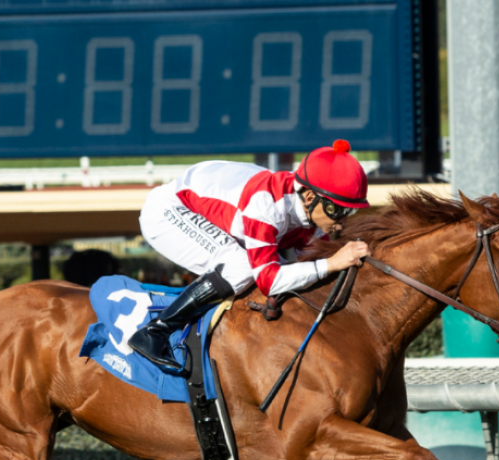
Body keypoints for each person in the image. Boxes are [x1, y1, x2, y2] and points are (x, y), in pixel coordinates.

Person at [129, 139, 372, 372]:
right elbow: (271, 280)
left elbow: (312, 271)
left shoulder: (311, 212)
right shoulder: (266, 206)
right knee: (242, 268)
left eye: (350, 211)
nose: (341, 223)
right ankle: (155, 332)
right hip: (169, 211)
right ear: (309, 197)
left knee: (291, 272)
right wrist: (332, 262)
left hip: (212, 202)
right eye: (337, 210)